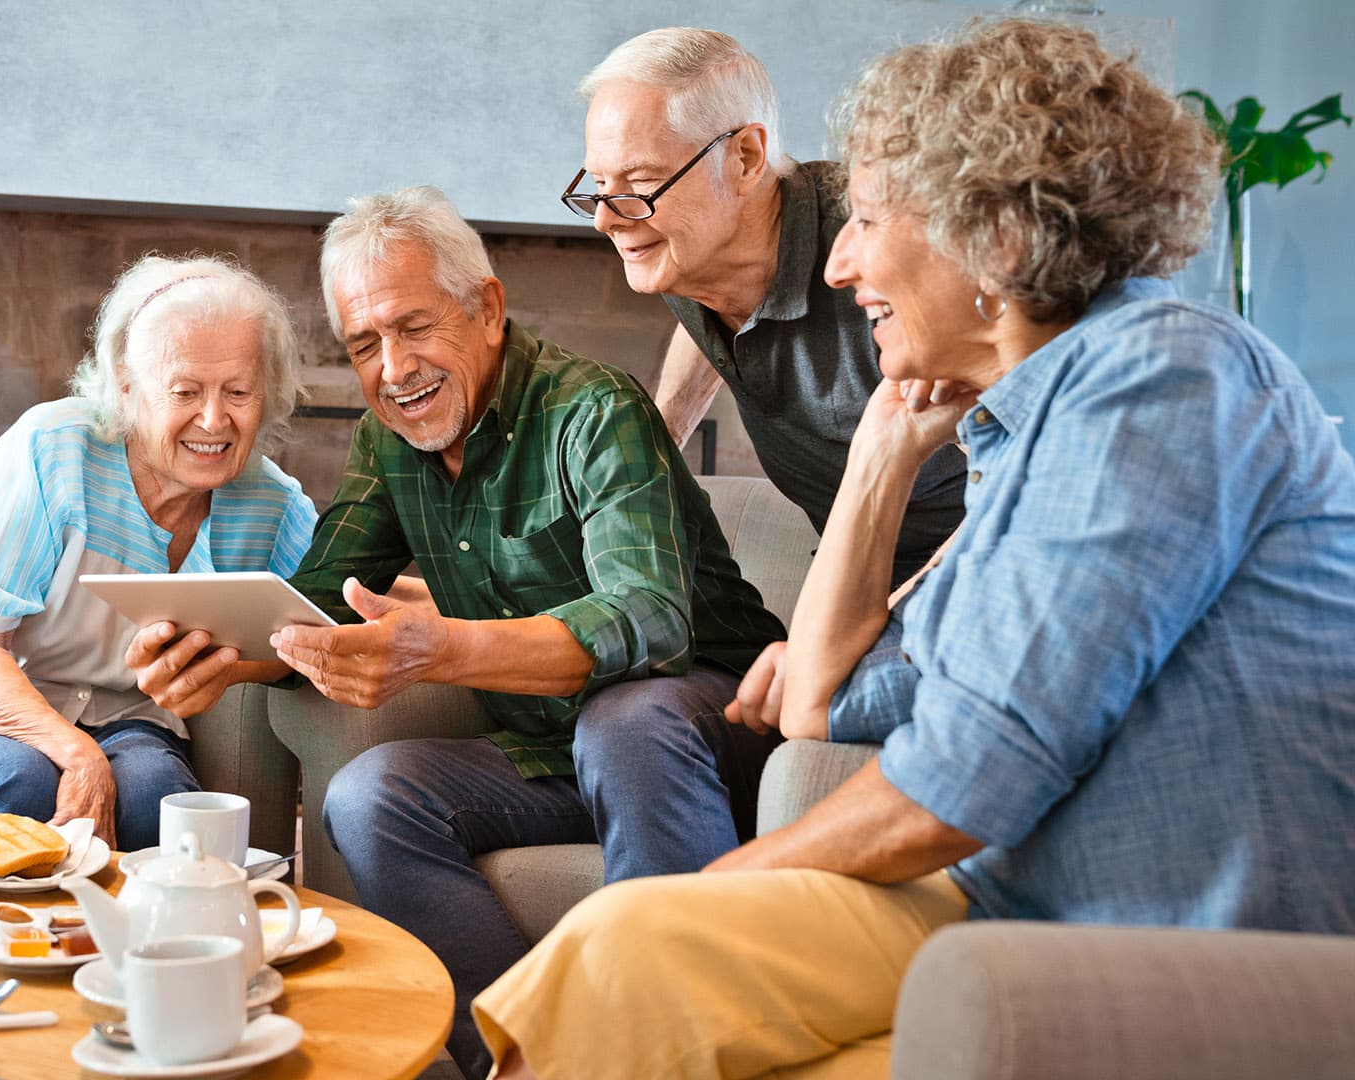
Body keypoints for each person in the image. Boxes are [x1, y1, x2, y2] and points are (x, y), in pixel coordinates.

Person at [475, 19, 1355, 1078]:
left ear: (997, 241)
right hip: (1015, 907)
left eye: (871, 220)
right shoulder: (1014, 437)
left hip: (1165, 935)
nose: (842, 262)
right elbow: (822, 703)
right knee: (621, 966)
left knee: (643, 946)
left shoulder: (1160, 380)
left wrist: (697, 896)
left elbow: (961, 785)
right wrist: (886, 450)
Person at [128, 186, 785, 1078]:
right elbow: (320, 599)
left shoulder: (593, 411)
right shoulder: (388, 441)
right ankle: (525, 1059)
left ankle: (661, 1053)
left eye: (412, 327)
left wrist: (444, 645)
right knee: (372, 794)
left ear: (487, 308)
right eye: (365, 345)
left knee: (625, 719)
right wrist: (221, 657)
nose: (393, 367)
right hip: (554, 751)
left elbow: (650, 620)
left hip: (715, 729)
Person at [0, 254, 316, 849]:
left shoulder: (272, 506)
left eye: (238, 391)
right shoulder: (53, 453)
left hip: (124, 721)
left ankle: (133, 942)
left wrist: (226, 669)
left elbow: (305, 636)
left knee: (159, 802)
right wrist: (77, 756)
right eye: (184, 390)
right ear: (127, 386)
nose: (214, 419)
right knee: (22, 784)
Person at [572, 28, 966, 585]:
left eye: (639, 182)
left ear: (746, 158)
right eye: (599, 185)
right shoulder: (681, 249)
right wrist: (660, 449)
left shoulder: (877, 250)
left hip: (965, 565)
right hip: (853, 564)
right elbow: (702, 312)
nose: (607, 219)